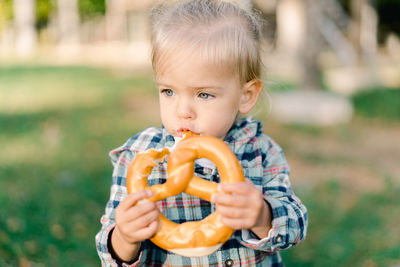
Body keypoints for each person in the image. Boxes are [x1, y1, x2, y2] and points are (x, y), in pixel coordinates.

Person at [96, 0, 308, 266]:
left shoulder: (261, 151)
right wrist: (125, 237)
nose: (183, 111)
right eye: (168, 91)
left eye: (204, 94)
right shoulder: (139, 154)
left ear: (246, 95)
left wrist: (263, 216)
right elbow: (109, 253)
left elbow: (296, 225)